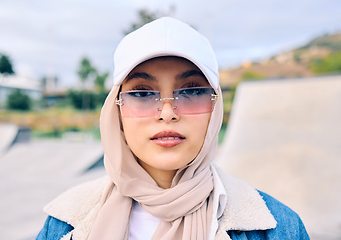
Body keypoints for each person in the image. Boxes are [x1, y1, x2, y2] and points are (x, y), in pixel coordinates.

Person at [36, 17, 309, 240]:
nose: (167, 113)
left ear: (215, 109)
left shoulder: (278, 228)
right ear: (116, 110)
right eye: (142, 94)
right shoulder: (63, 222)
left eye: (191, 91)